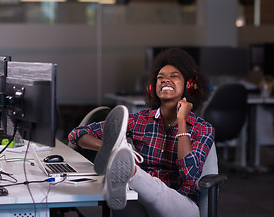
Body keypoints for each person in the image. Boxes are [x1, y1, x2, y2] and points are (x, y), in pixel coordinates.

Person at [68, 48, 214, 217]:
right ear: (153, 86)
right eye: (160, 77)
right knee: (130, 200)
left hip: (181, 204)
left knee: (149, 188)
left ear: (189, 85)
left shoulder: (203, 128)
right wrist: (108, 148)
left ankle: (130, 171)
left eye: (174, 76)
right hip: (139, 197)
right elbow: (76, 134)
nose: (165, 80)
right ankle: (122, 161)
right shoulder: (139, 120)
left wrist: (182, 121)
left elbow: (189, 173)